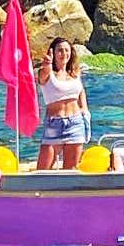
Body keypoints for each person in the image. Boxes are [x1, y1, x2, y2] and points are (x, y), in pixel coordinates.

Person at [38, 38, 89, 170]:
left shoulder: (74, 73)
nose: (64, 53)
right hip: (54, 124)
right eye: (60, 50)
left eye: (67, 50)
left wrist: (84, 109)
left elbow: (81, 90)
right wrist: (47, 66)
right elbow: (43, 75)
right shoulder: (47, 73)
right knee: (42, 171)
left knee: (70, 171)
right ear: (53, 53)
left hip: (76, 123)